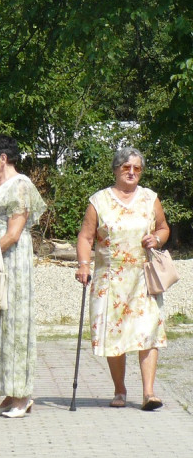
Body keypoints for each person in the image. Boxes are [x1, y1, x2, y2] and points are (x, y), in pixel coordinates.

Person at [76, 147, 169, 411]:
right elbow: (85, 236)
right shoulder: (99, 201)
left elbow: (163, 227)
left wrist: (158, 238)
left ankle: (149, 393)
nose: (131, 173)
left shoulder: (150, 199)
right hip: (110, 278)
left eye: (137, 168)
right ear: (116, 169)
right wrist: (84, 265)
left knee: (148, 331)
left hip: (143, 277)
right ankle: (119, 389)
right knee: (114, 333)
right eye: (126, 167)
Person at [0, 134, 46, 418]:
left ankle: (23, 395)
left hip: (11, 262)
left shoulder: (20, 185)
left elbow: (14, 234)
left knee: (15, 323)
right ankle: (9, 393)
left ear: (2, 159)